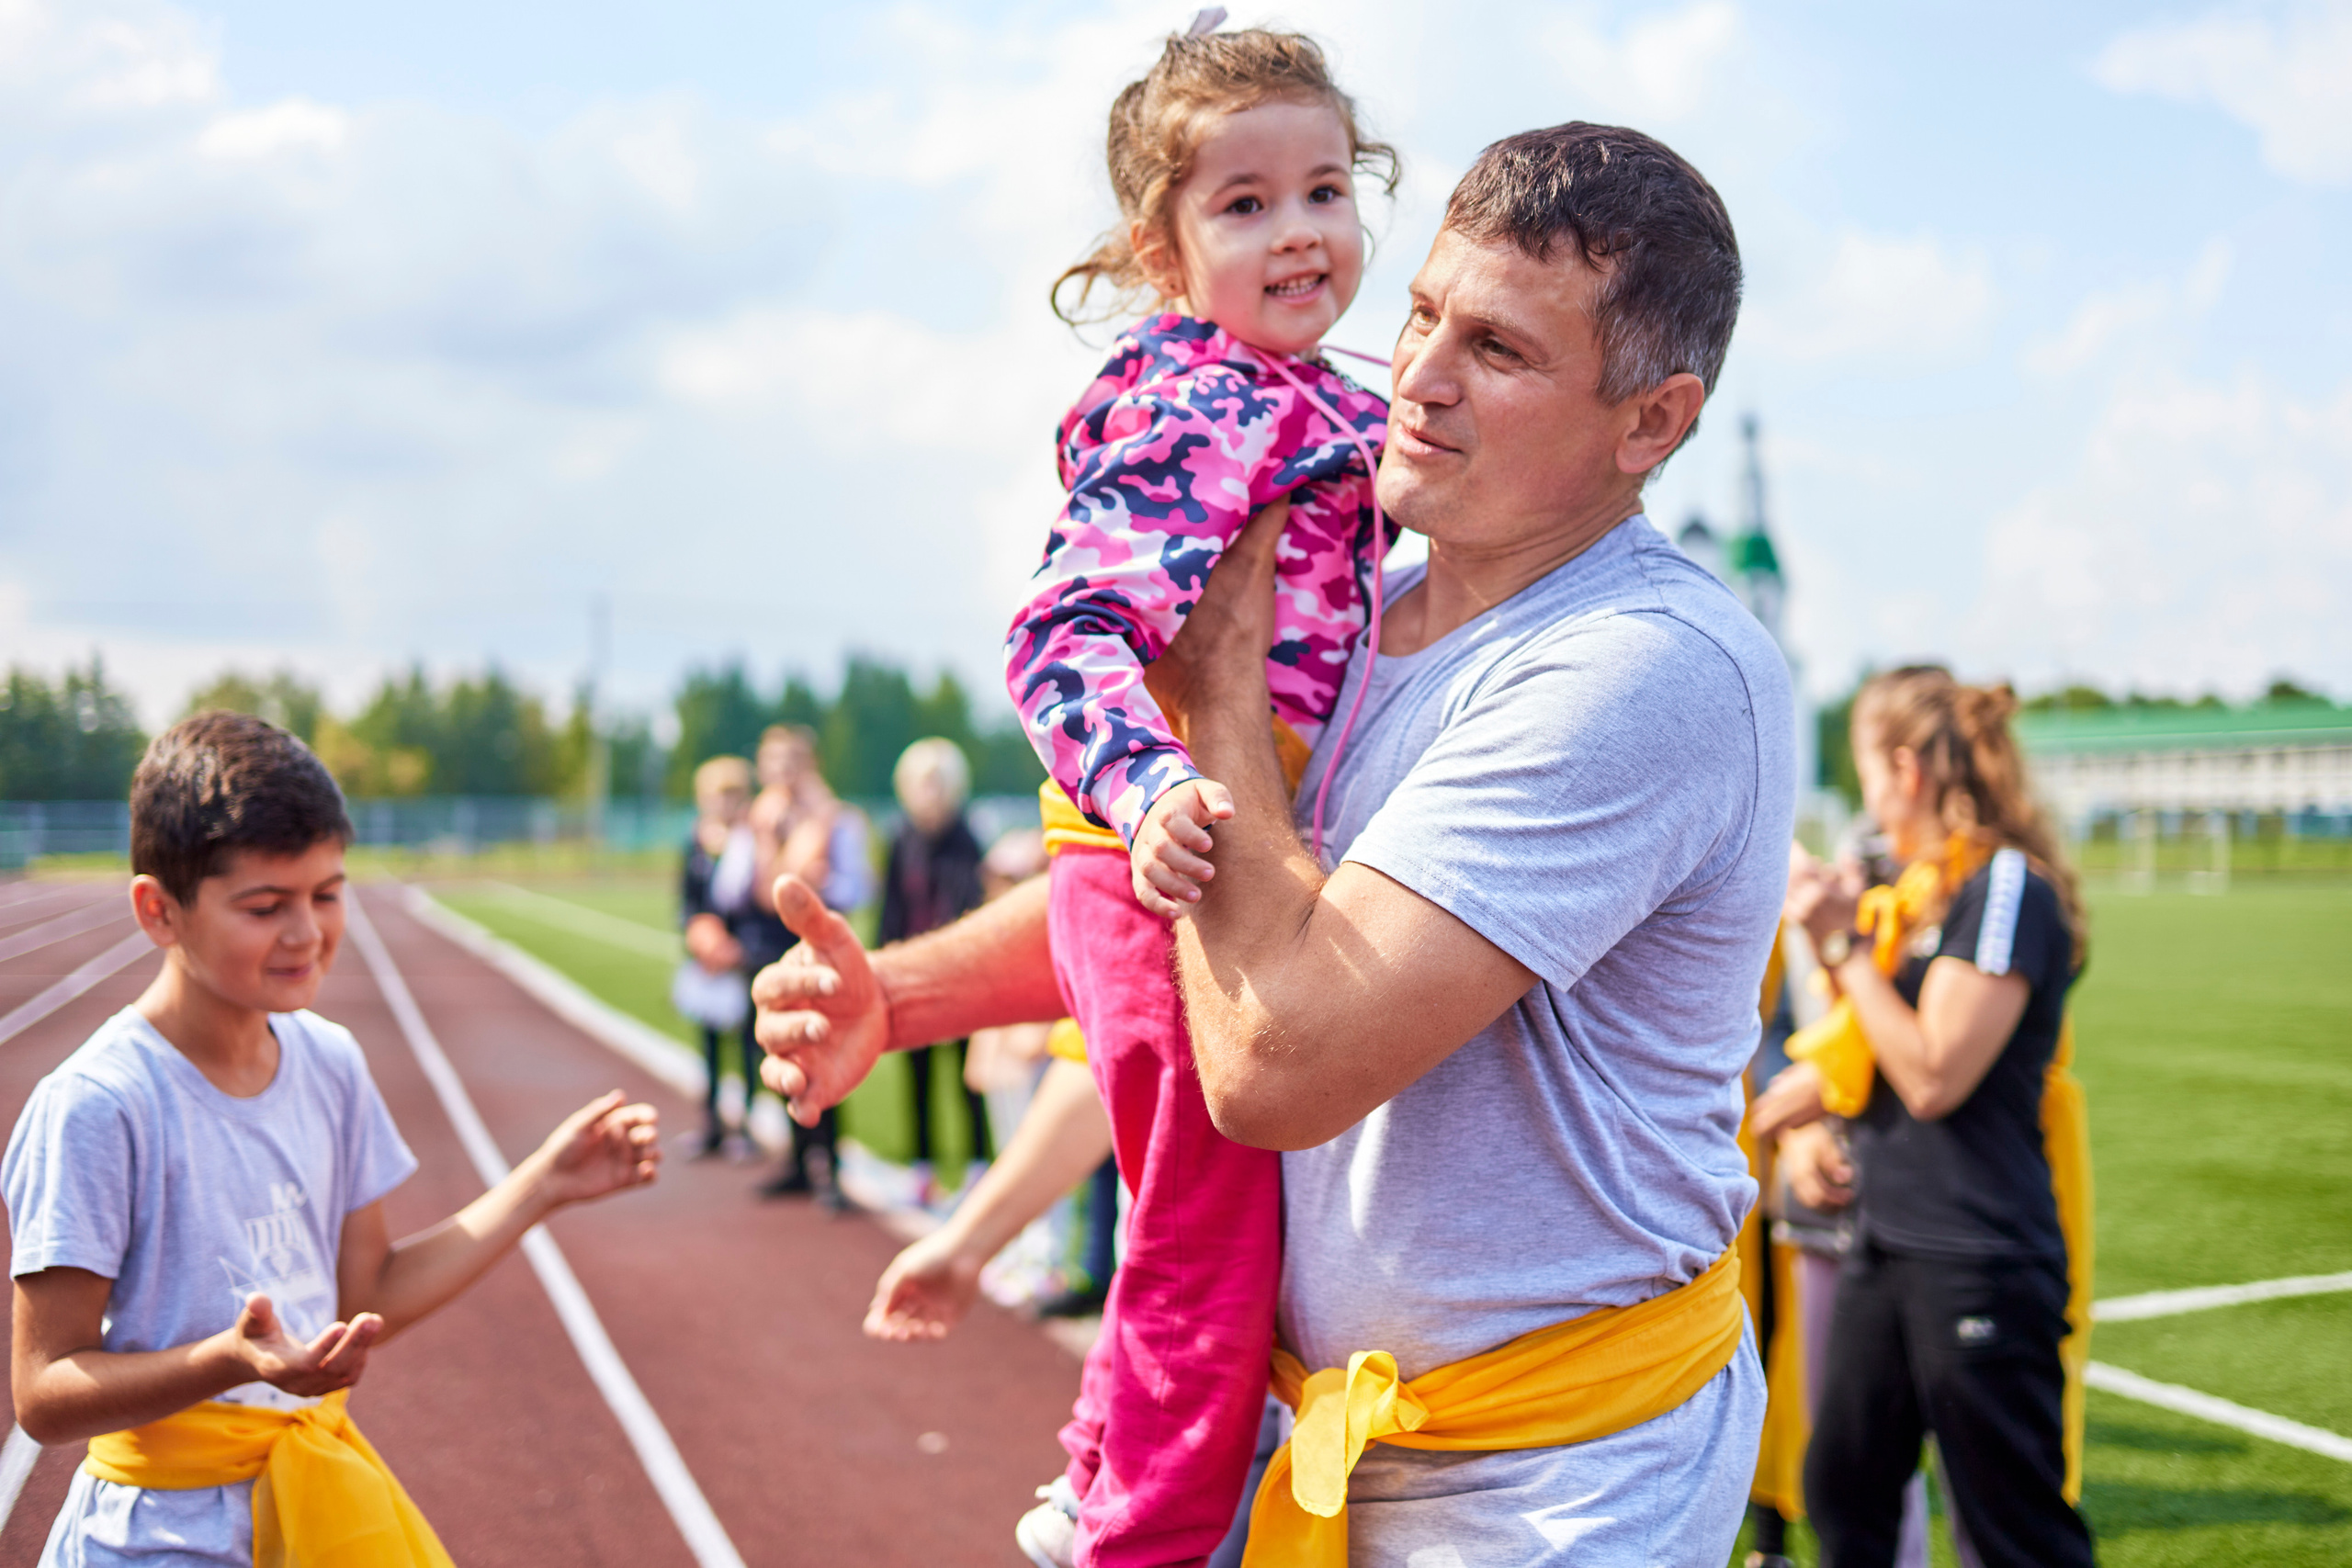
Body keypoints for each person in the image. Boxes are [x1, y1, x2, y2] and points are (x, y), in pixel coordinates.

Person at [761, 121, 1791, 1566]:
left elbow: (1273, 1058)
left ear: (1652, 423)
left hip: (1543, 1485)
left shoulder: (1642, 667)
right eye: (1424, 310)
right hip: (1324, 1447)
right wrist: (903, 994)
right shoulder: (1377, 604)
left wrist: (1222, 683)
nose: (1417, 376)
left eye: (1497, 349)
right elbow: (1180, 901)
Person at [996, 20, 1399, 1566]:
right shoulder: (1194, 404)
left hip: (1221, 831)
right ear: (1161, 254)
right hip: (1147, 845)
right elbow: (1061, 630)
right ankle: (1144, 1537)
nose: (1298, 231)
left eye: (1325, 188)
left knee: (1186, 1199)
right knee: (1208, 1225)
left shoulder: (1328, 390)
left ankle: (1097, 1468)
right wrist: (1152, 779)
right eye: (1243, 206)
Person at [3, 711, 660, 1568]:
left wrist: (543, 1184)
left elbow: (369, 1287)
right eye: (266, 905)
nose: (308, 933)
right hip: (156, 1538)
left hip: (309, 1515)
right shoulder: (99, 1105)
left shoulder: (329, 1061)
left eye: (328, 892)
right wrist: (227, 1362)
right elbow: (44, 1392)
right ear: (158, 910)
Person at [1750, 668, 2096, 1568]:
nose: (1865, 800)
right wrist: (1801, 1108)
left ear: (1905, 771)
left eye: (1865, 772)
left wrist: (1838, 943)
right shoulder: (1917, 894)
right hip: (1887, 1237)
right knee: (1842, 1487)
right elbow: (1859, 1054)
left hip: (1973, 1252)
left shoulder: (2005, 884)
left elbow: (1934, 1071)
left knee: (2012, 1528)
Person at [750, 724, 870, 1206]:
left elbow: (858, 886)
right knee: (782, 1053)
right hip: (767, 947)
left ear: (811, 765)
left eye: (793, 759)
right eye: (774, 759)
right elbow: (745, 888)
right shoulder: (760, 820)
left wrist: (824, 885)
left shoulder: (836, 819)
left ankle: (832, 1169)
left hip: (818, 948)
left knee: (825, 1049)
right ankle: (798, 1161)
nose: (784, 770)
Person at [880, 739, 991, 1205]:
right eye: (922, 783)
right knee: (918, 1076)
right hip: (913, 973)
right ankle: (921, 1168)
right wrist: (886, 966)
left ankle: (976, 1167)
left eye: (938, 782)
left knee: (970, 1078)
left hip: (963, 972)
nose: (931, 792)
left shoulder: (968, 838)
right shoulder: (899, 838)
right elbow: (891, 908)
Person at [677, 754, 778, 1156]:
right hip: (708, 959)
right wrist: (700, 936)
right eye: (715, 795)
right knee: (710, 1044)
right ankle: (713, 1124)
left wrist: (740, 948)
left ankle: (750, 1125)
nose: (722, 803)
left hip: (744, 958)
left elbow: (756, 903)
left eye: (731, 794)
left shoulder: (753, 842)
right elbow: (687, 900)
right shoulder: (697, 841)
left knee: (752, 1043)